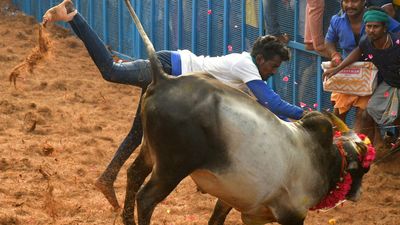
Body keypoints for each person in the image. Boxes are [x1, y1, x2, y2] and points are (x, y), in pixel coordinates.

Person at [43, 0, 305, 210]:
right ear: (260, 58)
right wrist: (304, 115)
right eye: (272, 66)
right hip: (169, 71)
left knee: (139, 133)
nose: (272, 72)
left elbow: (267, 107)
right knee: (111, 71)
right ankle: (73, 14)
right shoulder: (248, 66)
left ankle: (108, 176)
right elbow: (271, 102)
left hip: (177, 89)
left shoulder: (250, 72)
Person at [323, 7, 400, 148]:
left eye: (375, 27)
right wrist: (336, 69)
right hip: (390, 84)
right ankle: (363, 153)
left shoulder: (397, 42)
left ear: (385, 28)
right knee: (367, 114)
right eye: (369, 26)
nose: (371, 30)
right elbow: (357, 52)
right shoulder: (366, 41)